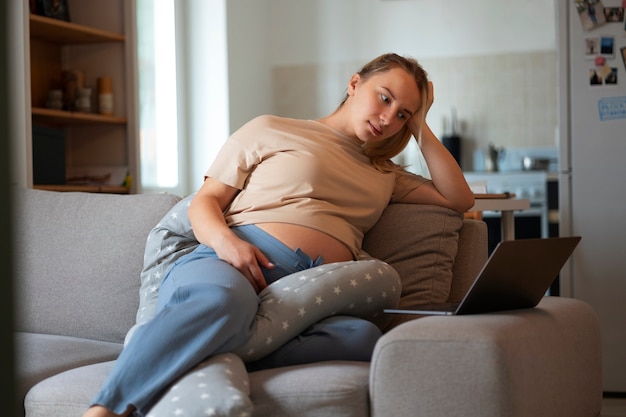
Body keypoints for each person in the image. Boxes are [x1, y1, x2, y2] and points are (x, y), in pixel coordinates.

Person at [83, 53, 474, 417]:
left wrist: (421, 124)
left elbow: (458, 197)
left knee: (360, 336)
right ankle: (105, 409)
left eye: (402, 113)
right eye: (384, 98)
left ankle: (187, 340)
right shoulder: (270, 129)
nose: (389, 118)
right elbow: (206, 202)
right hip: (233, 263)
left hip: (309, 291)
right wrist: (226, 243)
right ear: (355, 84)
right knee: (220, 301)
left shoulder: (386, 173)